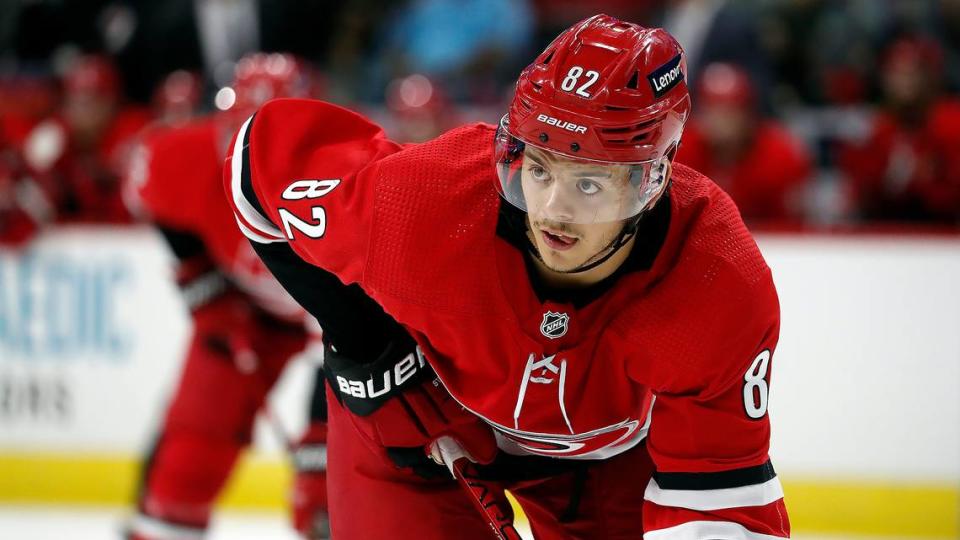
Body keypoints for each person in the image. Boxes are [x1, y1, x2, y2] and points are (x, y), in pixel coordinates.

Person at [227, 15, 790, 539]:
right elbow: (256, 165)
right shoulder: (425, 204)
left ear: (652, 178)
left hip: (604, 463)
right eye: (538, 169)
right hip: (421, 435)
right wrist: (366, 344)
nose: (552, 210)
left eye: (589, 183)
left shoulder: (716, 279)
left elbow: (720, 498)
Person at [124, 53, 330, 540]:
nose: (249, 158)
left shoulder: (354, 188)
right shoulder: (188, 158)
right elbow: (147, 191)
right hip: (246, 311)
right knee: (188, 464)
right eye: (239, 136)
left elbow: (360, 331)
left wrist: (322, 443)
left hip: (344, 331)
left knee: (335, 494)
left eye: (268, 143)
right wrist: (202, 280)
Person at [677, 62, 811, 225]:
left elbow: (792, 225)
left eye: (730, 111)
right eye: (712, 109)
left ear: (748, 113)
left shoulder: (780, 155)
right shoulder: (681, 149)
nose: (720, 120)